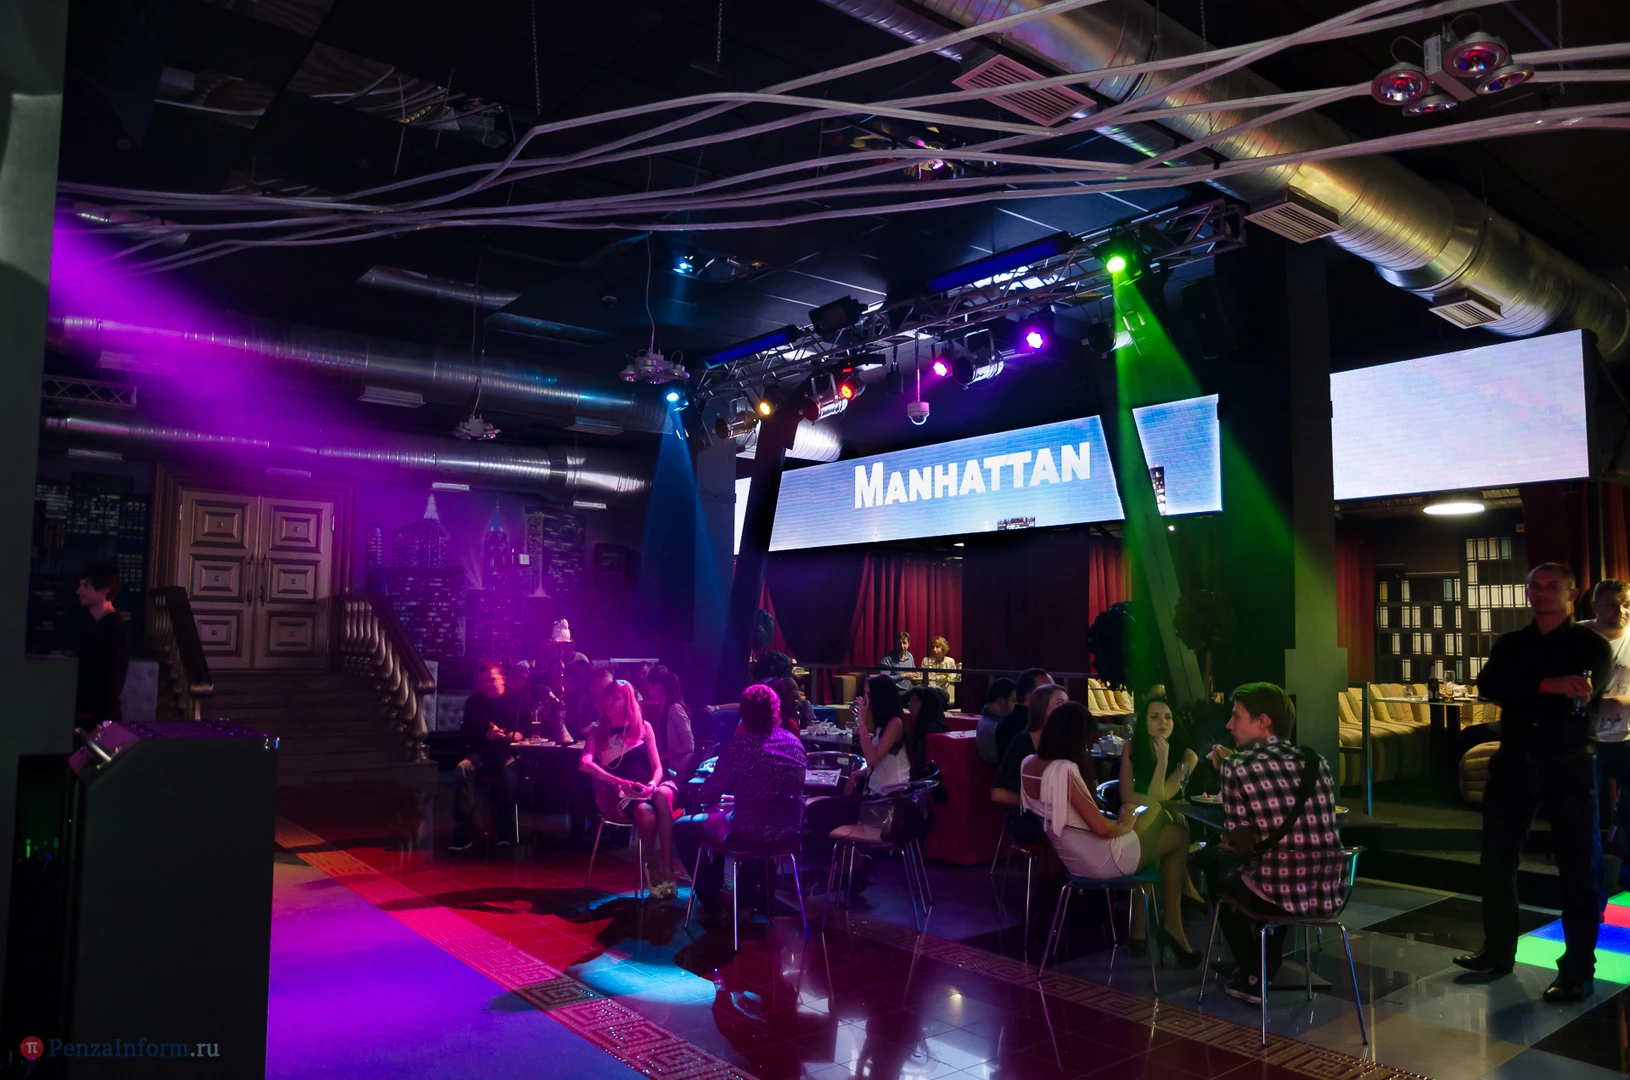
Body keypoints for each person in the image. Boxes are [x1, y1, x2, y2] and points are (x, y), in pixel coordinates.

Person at [1454, 563, 1613, 1003]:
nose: (1541, 593)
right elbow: (1490, 684)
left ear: (1571, 593)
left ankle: (1577, 970)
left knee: (1578, 869)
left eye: (1551, 586)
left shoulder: (1592, 645)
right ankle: (1498, 951)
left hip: (1570, 764)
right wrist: (1547, 684)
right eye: (1535, 587)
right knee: (1496, 860)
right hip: (1514, 762)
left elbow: (1581, 691)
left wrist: (1528, 688)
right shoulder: (1512, 643)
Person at [1020, 701, 1199, 962]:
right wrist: (1125, 824)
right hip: (1101, 859)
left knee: (1167, 831)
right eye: (1085, 740)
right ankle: (1174, 921)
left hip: (1074, 858)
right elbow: (1101, 827)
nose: (1088, 747)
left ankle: (1154, 928)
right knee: (1176, 833)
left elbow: (1076, 817)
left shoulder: (1028, 764)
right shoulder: (1064, 770)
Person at [1205, 683, 1344, 1003]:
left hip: (1276, 893)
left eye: (1237, 716)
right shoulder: (1316, 761)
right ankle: (1267, 965)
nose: (1229, 725)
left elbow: (1238, 843)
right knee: (1275, 867)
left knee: (1215, 866)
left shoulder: (1235, 766)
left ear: (1263, 721)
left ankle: (1254, 971)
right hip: (1327, 891)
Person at [673, 684, 807, 921]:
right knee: (751, 819)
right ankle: (745, 904)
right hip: (788, 832)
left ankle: (714, 907)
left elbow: (707, 795)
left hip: (747, 831)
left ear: (742, 714)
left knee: (681, 827)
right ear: (776, 711)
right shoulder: (794, 743)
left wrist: (725, 796)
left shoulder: (739, 747)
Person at [580, 679, 681, 897]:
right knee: (646, 814)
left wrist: (652, 785)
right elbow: (584, 764)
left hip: (654, 785)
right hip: (626, 794)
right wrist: (618, 781)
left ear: (628, 702)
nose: (609, 702)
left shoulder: (643, 727)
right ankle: (652, 866)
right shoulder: (597, 731)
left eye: (616, 698)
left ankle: (668, 869)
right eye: (607, 697)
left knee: (662, 796)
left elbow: (657, 767)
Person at [451, 660, 531, 851]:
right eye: (482, 680)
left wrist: (517, 735)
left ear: (502, 679)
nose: (486, 684)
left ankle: (504, 831)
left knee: (510, 774)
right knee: (462, 769)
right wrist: (485, 735)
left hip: (508, 753)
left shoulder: (518, 700)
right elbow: (464, 735)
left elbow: (529, 730)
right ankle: (462, 833)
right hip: (480, 753)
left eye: (490, 679)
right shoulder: (474, 702)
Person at [1582, 579, 1630, 896]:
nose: (1621, 611)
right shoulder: (1577, 636)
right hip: (1585, 739)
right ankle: (1593, 897)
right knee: (1586, 818)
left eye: (1626, 605)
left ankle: (1627, 879)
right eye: (1612, 604)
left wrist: (1621, 702)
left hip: (1627, 737)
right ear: (1595, 606)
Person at [993, 683, 1068, 809]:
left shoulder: (1068, 739)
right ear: (1042, 709)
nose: (1067, 709)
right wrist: (1037, 807)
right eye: (1060, 703)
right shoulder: (1022, 741)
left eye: (1067, 703)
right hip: (1033, 815)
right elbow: (998, 793)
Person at [74, 564, 128, 728]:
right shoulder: (102, 624)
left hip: (96, 719)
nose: (78, 591)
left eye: (86, 586)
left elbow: (111, 678)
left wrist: (102, 723)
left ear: (105, 589)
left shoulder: (112, 626)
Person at [856, 674, 913, 794]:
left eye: (868, 694)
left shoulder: (895, 723)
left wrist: (862, 723)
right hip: (877, 789)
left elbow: (872, 759)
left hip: (892, 794)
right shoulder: (882, 723)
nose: (864, 699)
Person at [993, 668, 1052, 765]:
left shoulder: (1007, 720)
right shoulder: (1025, 725)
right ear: (1029, 696)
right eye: (1047, 691)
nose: (1053, 695)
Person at [647, 670, 695, 781]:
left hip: (678, 767)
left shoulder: (675, 708)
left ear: (658, 687)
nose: (648, 692)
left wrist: (663, 756)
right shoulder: (663, 707)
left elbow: (689, 745)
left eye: (649, 688)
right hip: (668, 764)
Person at [976, 678, 1018, 765]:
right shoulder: (989, 728)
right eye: (1014, 701)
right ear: (1001, 702)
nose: (1018, 706)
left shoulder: (995, 723)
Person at [921, 636, 961, 708]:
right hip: (929, 690)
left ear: (943, 648)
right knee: (927, 692)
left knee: (937, 692)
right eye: (932, 647)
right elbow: (921, 677)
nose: (934, 649)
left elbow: (954, 677)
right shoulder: (926, 661)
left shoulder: (950, 661)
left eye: (937, 647)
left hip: (943, 691)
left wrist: (945, 675)